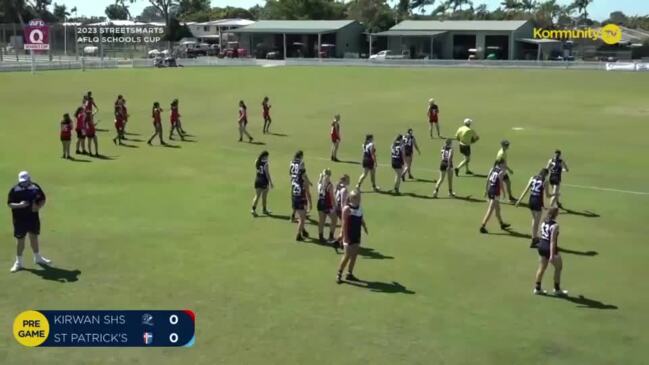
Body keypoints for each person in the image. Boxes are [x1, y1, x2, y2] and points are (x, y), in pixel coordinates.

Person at [7, 171, 51, 272]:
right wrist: (20, 205)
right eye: (22, 182)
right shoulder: (14, 190)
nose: (24, 183)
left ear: (29, 179)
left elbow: (43, 198)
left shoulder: (35, 187)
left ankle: (37, 258)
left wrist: (38, 207)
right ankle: (19, 263)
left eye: (26, 181)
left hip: (33, 218)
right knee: (20, 240)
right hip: (19, 220)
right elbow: (10, 204)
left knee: (34, 237)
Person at [533, 207, 568, 296]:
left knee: (542, 267)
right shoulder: (555, 225)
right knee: (558, 267)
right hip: (549, 248)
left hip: (541, 246)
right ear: (555, 214)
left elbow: (542, 234)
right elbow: (552, 240)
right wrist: (552, 255)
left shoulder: (544, 222)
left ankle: (537, 288)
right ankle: (556, 289)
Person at [336, 189, 368, 284]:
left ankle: (349, 273)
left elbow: (361, 218)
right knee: (347, 255)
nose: (358, 200)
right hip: (348, 235)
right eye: (356, 198)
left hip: (356, 233)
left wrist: (364, 226)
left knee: (354, 254)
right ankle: (339, 273)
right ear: (351, 199)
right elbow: (344, 224)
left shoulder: (359, 208)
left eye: (359, 198)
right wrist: (344, 236)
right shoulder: (347, 209)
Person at [516, 168, 552, 248]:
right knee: (537, 221)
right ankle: (533, 240)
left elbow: (526, 190)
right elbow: (547, 195)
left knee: (534, 219)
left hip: (531, 201)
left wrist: (519, 200)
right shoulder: (545, 181)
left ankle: (534, 237)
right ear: (546, 174)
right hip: (537, 202)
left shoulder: (532, 178)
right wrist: (555, 194)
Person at [479, 160, 511, 233]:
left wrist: (486, 190)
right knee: (490, 209)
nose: (505, 165)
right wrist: (504, 192)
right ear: (501, 164)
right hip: (495, 192)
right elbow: (500, 183)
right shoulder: (501, 172)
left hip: (491, 190)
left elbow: (488, 180)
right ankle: (483, 226)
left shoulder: (492, 169)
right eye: (504, 164)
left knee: (497, 209)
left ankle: (501, 224)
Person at [289, 151, 312, 223]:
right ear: (301, 156)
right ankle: (303, 214)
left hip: (293, 182)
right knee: (302, 198)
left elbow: (290, 172)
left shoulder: (291, 162)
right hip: (300, 183)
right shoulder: (301, 163)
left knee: (295, 199)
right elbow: (303, 174)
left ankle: (293, 216)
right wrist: (308, 182)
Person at [316, 169, 337, 243]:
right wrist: (335, 206)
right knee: (334, 219)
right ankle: (331, 236)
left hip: (320, 203)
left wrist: (320, 177)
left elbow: (319, 190)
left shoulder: (319, 182)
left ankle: (320, 237)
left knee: (321, 221)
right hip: (327, 204)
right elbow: (331, 197)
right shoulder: (329, 185)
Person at [252, 151, 273, 216]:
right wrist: (270, 182)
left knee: (257, 196)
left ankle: (253, 209)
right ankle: (264, 210)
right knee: (264, 196)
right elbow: (267, 174)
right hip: (263, 181)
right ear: (264, 156)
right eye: (267, 156)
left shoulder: (257, 161)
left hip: (257, 180)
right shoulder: (266, 164)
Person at [292, 169, 310, 241]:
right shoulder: (304, 182)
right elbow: (307, 193)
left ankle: (303, 231)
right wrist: (310, 203)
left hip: (295, 200)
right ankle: (298, 235)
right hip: (300, 201)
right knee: (302, 219)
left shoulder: (294, 181)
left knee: (301, 217)